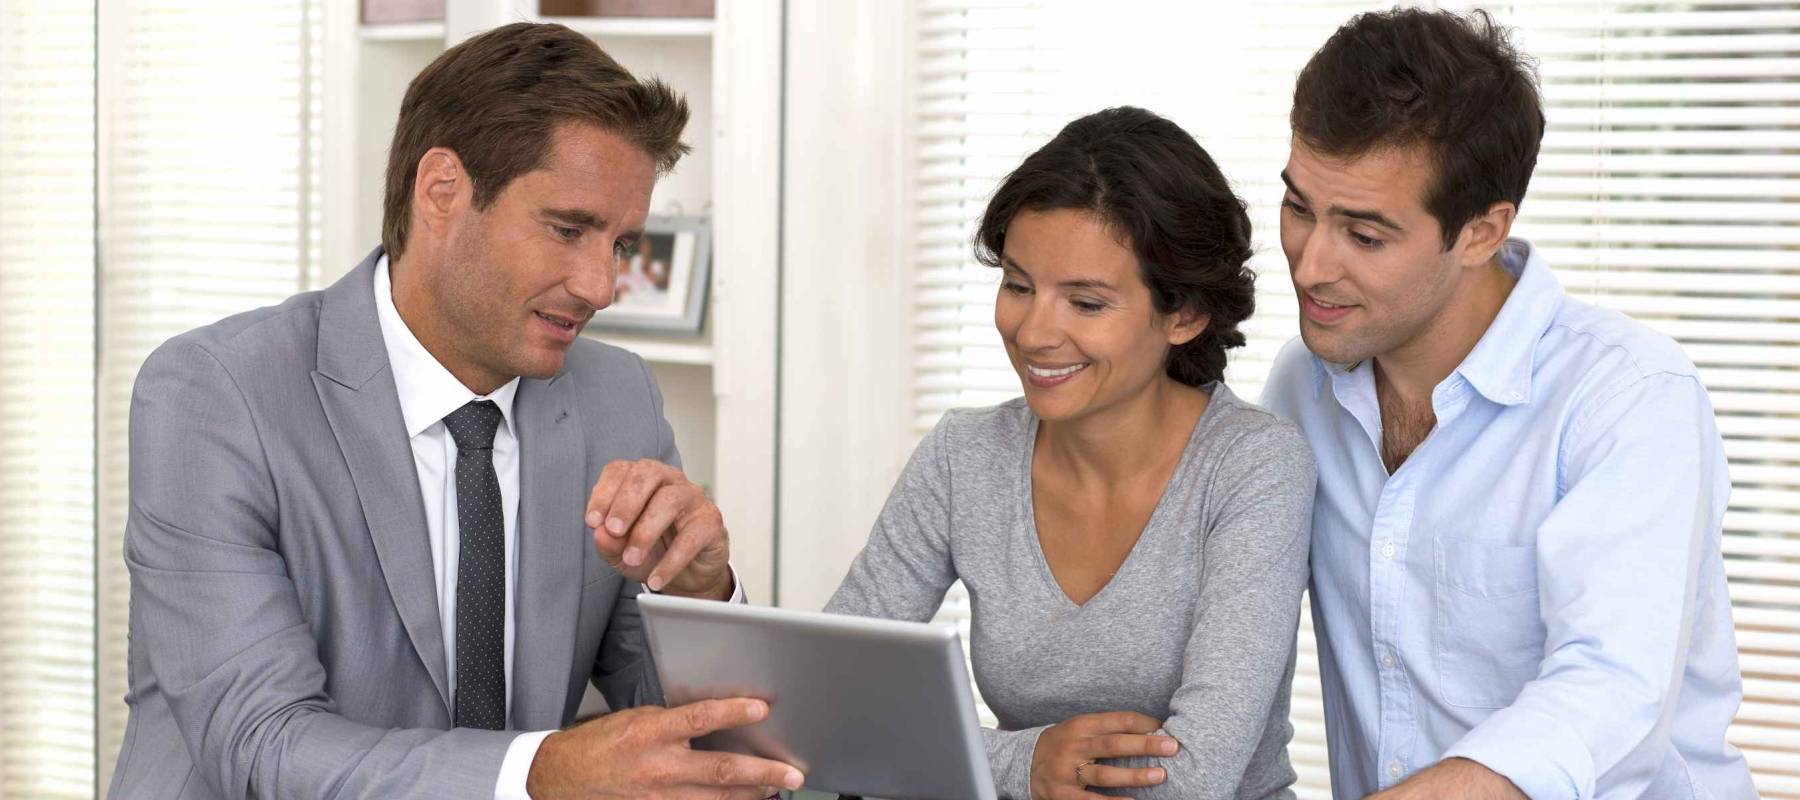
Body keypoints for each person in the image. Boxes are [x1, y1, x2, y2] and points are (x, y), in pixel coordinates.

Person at [107, 22, 802, 800]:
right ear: (443, 192)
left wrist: (699, 596)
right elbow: (262, 745)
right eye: (569, 230)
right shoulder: (215, 397)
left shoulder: (618, 399)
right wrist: (545, 773)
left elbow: (704, 743)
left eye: (621, 244)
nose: (601, 287)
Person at [1259, 9, 1756, 799]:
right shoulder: (1302, 386)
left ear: (1482, 232)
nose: (1311, 265)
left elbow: (1608, 685)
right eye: (1298, 208)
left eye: (1365, 234)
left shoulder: (1626, 399)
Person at [826, 106, 1316, 800]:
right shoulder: (965, 457)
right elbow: (830, 693)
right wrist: (1021, 765)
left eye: (1085, 303)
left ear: (1185, 314)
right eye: (1019, 285)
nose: (1033, 332)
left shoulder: (1253, 467)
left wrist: (989, 766)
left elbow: (1195, 778)